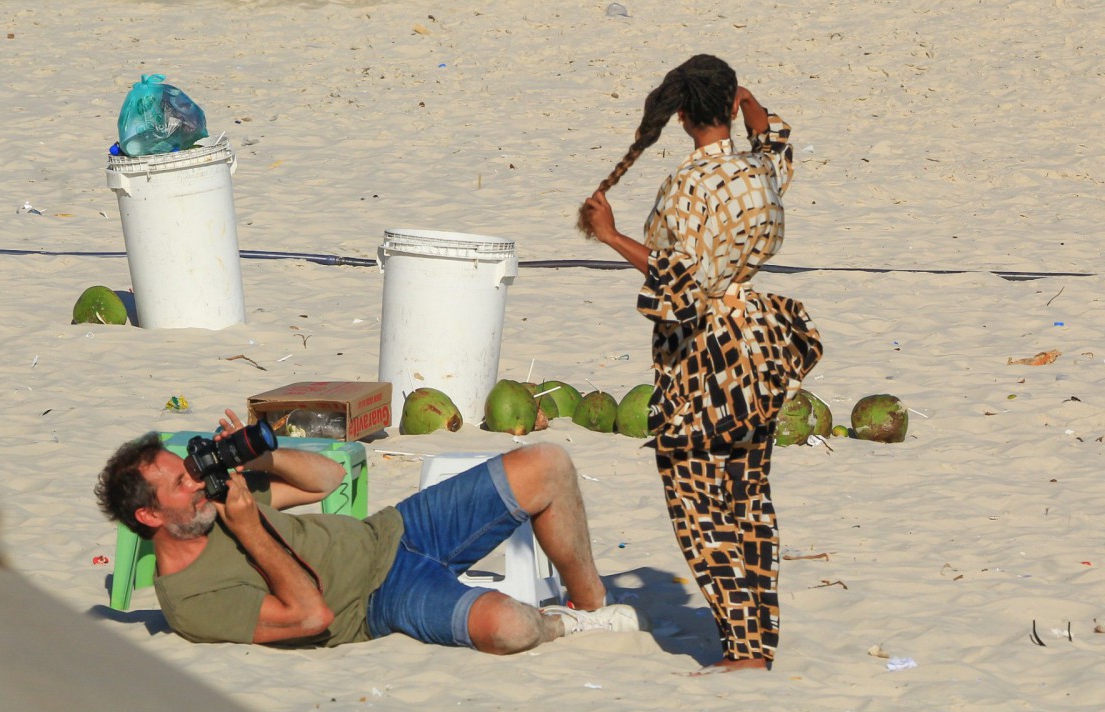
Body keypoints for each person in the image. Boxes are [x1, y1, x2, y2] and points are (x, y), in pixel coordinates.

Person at [577, 54, 822, 671]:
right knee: (749, 497)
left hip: (706, 355)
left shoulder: (692, 185)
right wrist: (748, 99)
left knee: (696, 502)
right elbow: (775, 136)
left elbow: (680, 287)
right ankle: (756, 642)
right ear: (727, 104)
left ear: (682, 115)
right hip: (760, 348)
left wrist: (609, 235)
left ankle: (742, 650)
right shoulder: (759, 168)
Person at [95, 410, 642, 654]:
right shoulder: (191, 603)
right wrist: (250, 530)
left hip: (394, 529)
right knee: (509, 629)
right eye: (179, 481)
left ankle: (591, 605)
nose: (196, 477)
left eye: (189, 466)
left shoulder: (215, 502)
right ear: (148, 516)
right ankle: (562, 625)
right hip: (380, 599)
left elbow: (328, 479)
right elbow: (313, 617)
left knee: (548, 462)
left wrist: (266, 455)